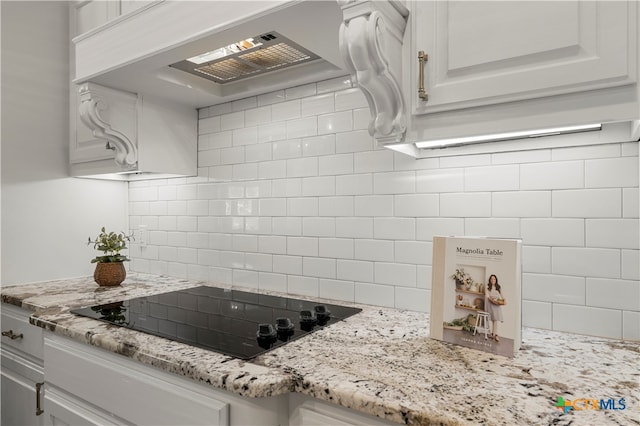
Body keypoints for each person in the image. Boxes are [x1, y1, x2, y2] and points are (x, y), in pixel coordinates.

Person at [485, 274, 504, 342]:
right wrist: (492, 300)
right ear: (490, 280)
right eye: (491, 279)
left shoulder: (498, 287)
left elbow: (502, 296)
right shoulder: (488, 288)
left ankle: (495, 334)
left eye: (494, 279)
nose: (493, 280)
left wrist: (503, 301)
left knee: (496, 320)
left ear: (496, 280)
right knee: (491, 319)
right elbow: (488, 296)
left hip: (497, 305)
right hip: (491, 304)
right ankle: (492, 333)